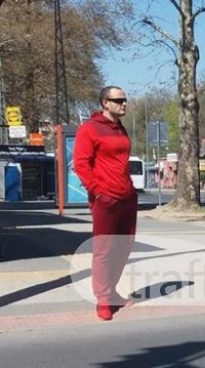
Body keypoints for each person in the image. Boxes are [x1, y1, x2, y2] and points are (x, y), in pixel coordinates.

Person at [73, 86, 137, 321]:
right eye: (118, 100)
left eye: (125, 100)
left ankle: (111, 291)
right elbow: (81, 163)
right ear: (104, 103)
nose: (124, 104)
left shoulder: (120, 128)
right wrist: (99, 192)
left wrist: (129, 190)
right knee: (104, 249)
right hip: (105, 198)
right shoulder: (89, 129)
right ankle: (102, 299)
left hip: (127, 196)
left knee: (124, 245)